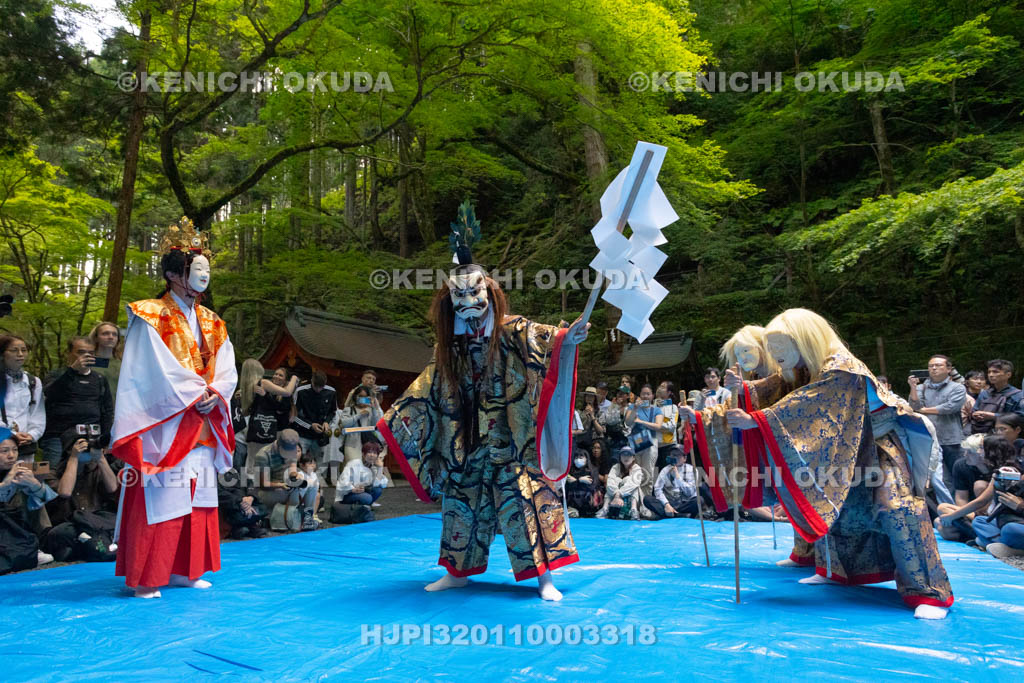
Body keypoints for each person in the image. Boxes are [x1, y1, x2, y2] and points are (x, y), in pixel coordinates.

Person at [376, 218, 586, 601]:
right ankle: (456, 573)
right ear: (449, 299)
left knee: (523, 501)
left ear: (490, 291)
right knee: (460, 502)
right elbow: (429, 386)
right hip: (466, 438)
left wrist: (565, 338)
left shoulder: (510, 330)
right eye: (460, 297)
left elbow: (539, 338)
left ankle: (544, 578)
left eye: (476, 295)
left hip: (509, 436)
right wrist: (396, 421)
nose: (469, 304)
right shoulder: (449, 345)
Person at [720, 308, 953, 619]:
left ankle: (929, 591)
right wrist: (745, 391)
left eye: (779, 347)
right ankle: (834, 570)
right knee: (834, 506)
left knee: (898, 509)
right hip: (844, 447)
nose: (774, 355)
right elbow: (779, 387)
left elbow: (812, 403)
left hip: (880, 444)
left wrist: (757, 419)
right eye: (771, 348)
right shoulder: (805, 368)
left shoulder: (841, 367)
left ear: (806, 341)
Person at [112, 219, 237, 599]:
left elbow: (226, 366)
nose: (204, 276)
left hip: (203, 424)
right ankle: (147, 576)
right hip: (166, 423)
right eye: (195, 269)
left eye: (206, 270)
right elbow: (148, 370)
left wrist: (216, 391)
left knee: (198, 498)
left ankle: (188, 569)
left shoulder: (213, 322)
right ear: (172, 274)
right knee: (163, 497)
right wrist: (193, 394)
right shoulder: (150, 315)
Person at [41, 426, 120, 562]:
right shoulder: (53, 473)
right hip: (71, 523)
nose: (88, 448)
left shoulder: (97, 468)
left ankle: (87, 547)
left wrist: (100, 459)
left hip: (96, 522)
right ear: (68, 449)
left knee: (116, 521)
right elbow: (65, 492)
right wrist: (73, 458)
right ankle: (95, 546)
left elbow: (113, 488)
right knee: (60, 533)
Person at [939, 435, 1023, 557]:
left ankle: (1007, 548)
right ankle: (997, 543)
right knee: (979, 522)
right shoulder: (999, 472)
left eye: (982, 448)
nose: (979, 452)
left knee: (1010, 529)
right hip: (1000, 518)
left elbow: (982, 501)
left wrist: (1020, 506)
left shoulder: (1011, 471)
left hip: (1013, 521)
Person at [40, 337, 113, 470]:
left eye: (90, 353)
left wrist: (105, 440)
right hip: (57, 437)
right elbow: (50, 393)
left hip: (90, 436)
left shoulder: (100, 379)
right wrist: (73, 370)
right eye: (81, 352)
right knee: (51, 474)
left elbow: (107, 410)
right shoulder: (57, 374)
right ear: (69, 353)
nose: (86, 356)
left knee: (86, 476)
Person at [0, 426, 58, 571]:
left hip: (13, 526)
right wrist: (6, 483)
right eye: (4, 451)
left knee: (32, 491)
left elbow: (49, 497)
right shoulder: (11, 473)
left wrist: (34, 485)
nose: (11, 456)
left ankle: (34, 546)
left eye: (15, 450)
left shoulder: (19, 469)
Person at [908, 355, 967, 491]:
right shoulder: (921, 388)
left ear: (949, 369)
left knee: (955, 473)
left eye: (938, 365)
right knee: (933, 476)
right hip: (926, 438)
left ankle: (958, 505)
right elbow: (913, 406)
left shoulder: (957, 388)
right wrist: (913, 387)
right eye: (931, 366)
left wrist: (924, 410)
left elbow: (951, 407)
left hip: (951, 438)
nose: (934, 368)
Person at [252, 429, 319, 531]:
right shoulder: (263, 455)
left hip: (286, 484)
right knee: (294, 489)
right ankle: (294, 518)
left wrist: (296, 476)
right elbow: (262, 484)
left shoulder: (292, 448)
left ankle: (307, 518)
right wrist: (280, 485)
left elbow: (292, 469)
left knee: (312, 485)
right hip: (268, 491)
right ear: (279, 444)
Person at [242, 362, 298, 479]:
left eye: (280, 375)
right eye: (276, 374)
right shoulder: (264, 384)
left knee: (265, 459)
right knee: (256, 458)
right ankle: (252, 485)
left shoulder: (267, 389)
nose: (276, 376)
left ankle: (262, 482)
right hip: (263, 429)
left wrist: (265, 395)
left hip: (275, 430)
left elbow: (281, 407)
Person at [0, 335, 45, 462]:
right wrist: (11, 434)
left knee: (23, 479)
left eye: (24, 350)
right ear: (3, 354)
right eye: (14, 350)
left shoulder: (33, 382)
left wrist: (32, 435)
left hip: (25, 447)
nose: (20, 354)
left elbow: (38, 413)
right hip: (1, 444)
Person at [937, 434, 989, 543]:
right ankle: (977, 538)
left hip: (989, 513)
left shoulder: (996, 468)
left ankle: (983, 538)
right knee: (941, 525)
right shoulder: (961, 465)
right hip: (972, 512)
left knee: (980, 485)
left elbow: (982, 501)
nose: (965, 455)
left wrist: (952, 516)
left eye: (970, 452)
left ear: (981, 454)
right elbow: (961, 498)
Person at [291, 370, 337, 466]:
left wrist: (327, 422)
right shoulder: (301, 391)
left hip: (321, 435)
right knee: (297, 461)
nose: (318, 389)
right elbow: (293, 415)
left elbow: (333, 412)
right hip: (303, 433)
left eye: (321, 387)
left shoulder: (331, 392)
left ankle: (315, 480)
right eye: (316, 386)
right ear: (311, 381)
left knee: (318, 464)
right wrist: (310, 425)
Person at [643, 445, 698, 519]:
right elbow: (657, 489)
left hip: (683, 504)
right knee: (647, 499)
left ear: (684, 458)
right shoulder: (665, 470)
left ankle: (673, 514)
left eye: (677, 455)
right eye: (672, 455)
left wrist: (678, 478)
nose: (674, 457)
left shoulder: (692, 470)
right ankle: (673, 513)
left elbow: (690, 493)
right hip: (669, 502)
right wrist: (666, 504)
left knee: (698, 500)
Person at [629, 384, 661, 508]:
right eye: (643, 393)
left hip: (651, 443)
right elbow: (627, 421)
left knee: (647, 473)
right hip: (636, 442)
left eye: (648, 393)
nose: (645, 396)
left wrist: (641, 422)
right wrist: (635, 408)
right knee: (635, 473)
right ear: (640, 395)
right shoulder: (633, 407)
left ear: (652, 396)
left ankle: (646, 505)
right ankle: (634, 504)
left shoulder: (656, 409)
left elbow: (658, 426)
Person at [970, 359, 1023, 434]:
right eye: (989, 372)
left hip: (1005, 437)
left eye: (995, 372)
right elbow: (974, 411)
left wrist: (994, 416)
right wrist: (975, 414)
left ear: (1008, 375)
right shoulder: (984, 393)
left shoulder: (1018, 395)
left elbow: (1020, 418)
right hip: (980, 434)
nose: (991, 375)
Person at [595, 446, 646, 520]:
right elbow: (610, 482)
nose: (626, 457)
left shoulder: (637, 468)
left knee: (631, 482)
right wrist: (616, 493)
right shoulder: (615, 467)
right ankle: (605, 508)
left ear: (633, 458)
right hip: (615, 496)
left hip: (629, 495)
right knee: (615, 480)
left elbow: (634, 483)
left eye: (629, 455)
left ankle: (633, 510)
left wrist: (619, 494)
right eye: (623, 455)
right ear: (620, 457)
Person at [217, 468, 266, 539]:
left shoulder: (235, 468)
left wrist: (251, 497)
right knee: (234, 508)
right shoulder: (213, 472)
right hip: (231, 501)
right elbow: (219, 493)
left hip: (244, 498)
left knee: (261, 507)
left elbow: (249, 483)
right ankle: (235, 528)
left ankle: (250, 526)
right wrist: (240, 501)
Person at [340, 384, 383, 465]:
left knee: (365, 471)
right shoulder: (349, 409)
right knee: (353, 468)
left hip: (367, 446)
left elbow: (377, 425)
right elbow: (344, 423)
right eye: (360, 396)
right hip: (351, 445)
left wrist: (373, 408)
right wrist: (359, 415)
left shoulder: (371, 410)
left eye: (365, 397)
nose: (363, 399)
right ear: (355, 397)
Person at [337, 441, 388, 506]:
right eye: (369, 452)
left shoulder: (373, 466)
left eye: (375, 453)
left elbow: (378, 484)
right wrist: (352, 489)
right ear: (363, 454)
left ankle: (364, 504)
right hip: (347, 494)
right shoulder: (354, 463)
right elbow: (342, 483)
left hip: (361, 492)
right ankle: (361, 504)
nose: (372, 455)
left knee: (377, 490)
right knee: (367, 498)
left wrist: (380, 468)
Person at [88, 321, 123, 400]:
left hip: (117, 409)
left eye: (114, 334)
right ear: (96, 338)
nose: (111, 337)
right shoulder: (86, 361)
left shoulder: (123, 364)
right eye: (105, 333)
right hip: (92, 408)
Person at [565, 446, 602, 517]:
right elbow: (568, 487)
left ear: (586, 459)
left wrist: (575, 481)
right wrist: (580, 480)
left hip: (589, 503)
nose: (578, 460)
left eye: (581, 457)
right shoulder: (570, 471)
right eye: (576, 458)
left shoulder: (593, 470)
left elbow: (592, 486)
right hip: (573, 503)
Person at [598, 385, 634, 451]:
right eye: (618, 393)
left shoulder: (631, 407)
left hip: (627, 440)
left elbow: (630, 424)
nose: (619, 395)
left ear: (628, 396)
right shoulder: (613, 406)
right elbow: (608, 421)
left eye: (622, 393)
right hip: (614, 440)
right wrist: (616, 406)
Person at [654, 381, 680, 470]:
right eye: (660, 386)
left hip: (669, 445)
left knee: (669, 472)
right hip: (655, 445)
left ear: (669, 392)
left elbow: (671, 426)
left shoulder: (673, 407)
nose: (660, 388)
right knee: (657, 473)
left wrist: (657, 425)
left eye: (663, 387)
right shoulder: (653, 406)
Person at [961, 369, 985, 435]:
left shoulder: (987, 396)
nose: (979, 382)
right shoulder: (961, 395)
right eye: (975, 379)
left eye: (982, 379)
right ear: (967, 382)